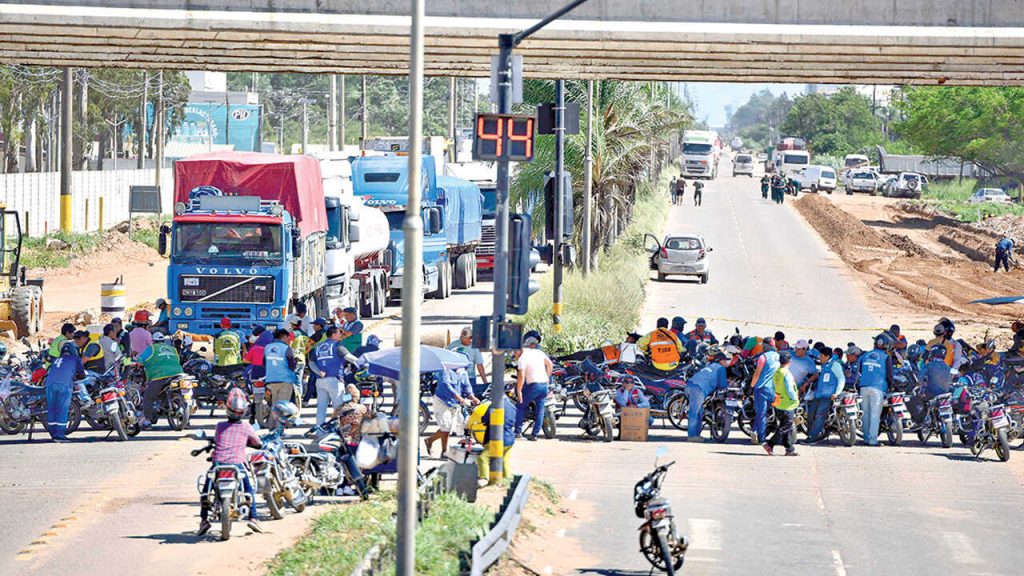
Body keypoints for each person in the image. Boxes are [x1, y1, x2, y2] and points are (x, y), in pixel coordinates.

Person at [197, 387, 263, 536]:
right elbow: (258, 443)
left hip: (218, 463)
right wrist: (251, 443)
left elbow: (218, 440)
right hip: (237, 464)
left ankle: (203, 520)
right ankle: (254, 518)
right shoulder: (246, 427)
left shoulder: (220, 426)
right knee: (248, 490)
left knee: (206, 491)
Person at [310, 327, 360, 425]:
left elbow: (311, 362)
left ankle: (320, 431)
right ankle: (340, 431)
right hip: (334, 380)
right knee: (338, 408)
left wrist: (318, 371)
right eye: (339, 333)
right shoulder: (337, 346)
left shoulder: (318, 347)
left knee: (321, 408)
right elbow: (349, 357)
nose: (341, 335)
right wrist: (363, 362)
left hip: (320, 381)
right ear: (333, 334)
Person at [425, 367, 478, 456]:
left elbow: (467, 387)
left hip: (454, 403)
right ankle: (444, 451)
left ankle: (430, 440)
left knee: (448, 428)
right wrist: (460, 398)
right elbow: (446, 385)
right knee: (446, 426)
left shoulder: (463, 372)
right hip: (442, 401)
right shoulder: (446, 370)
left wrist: (473, 398)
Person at [137, 332, 184, 429]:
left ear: (153, 341)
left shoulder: (151, 348)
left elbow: (140, 360)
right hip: (178, 374)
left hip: (160, 376)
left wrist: (138, 364)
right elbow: (178, 360)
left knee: (148, 397)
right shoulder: (173, 349)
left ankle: (147, 420)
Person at [514, 331, 553, 441]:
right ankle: (534, 435)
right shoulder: (539, 352)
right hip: (544, 385)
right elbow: (550, 364)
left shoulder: (523, 357)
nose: (514, 354)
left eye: (515, 352)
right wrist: (547, 376)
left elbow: (521, 376)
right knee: (540, 410)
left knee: (520, 406)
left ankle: (517, 432)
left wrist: (519, 391)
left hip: (533, 386)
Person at [684, 351, 729, 442]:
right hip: (698, 389)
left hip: (690, 385)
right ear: (720, 361)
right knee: (695, 411)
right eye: (725, 360)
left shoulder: (709, 366)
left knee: (699, 411)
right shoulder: (720, 368)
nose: (726, 363)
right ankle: (692, 436)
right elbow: (723, 385)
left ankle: (696, 435)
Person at [45, 342, 86, 442]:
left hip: (49, 385)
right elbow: (82, 375)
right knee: (62, 409)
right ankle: (59, 435)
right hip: (64, 385)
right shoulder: (75, 359)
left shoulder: (56, 359)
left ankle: (53, 434)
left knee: (52, 408)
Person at [469, 399, 517, 482]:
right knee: (504, 460)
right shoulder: (512, 407)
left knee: (483, 458)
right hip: (509, 438)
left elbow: (485, 419)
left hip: (497, 438)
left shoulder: (495, 405)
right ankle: (508, 480)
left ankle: (484, 478)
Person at [857, 335, 893, 446]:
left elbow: (859, 369)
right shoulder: (886, 357)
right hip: (878, 388)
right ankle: (873, 440)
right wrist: (890, 385)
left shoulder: (865, 355)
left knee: (865, 414)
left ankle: (866, 439)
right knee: (875, 415)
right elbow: (889, 374)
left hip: (863, 387)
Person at [807, 347, 845, 444]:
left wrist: (837, 392)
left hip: (828, 396)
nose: (820, 357)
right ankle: (812, 434)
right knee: (810, 414)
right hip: (818, 395)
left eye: (822, 356)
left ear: (828, 356)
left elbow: (841, 379)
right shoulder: (823, 365)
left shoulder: (835, 365)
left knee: (820, 415)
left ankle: (813, 438)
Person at [909, 345, 954, 427]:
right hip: (946, 394)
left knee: (912, 401)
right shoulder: (948, 367)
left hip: (931, 394)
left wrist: (920, 387)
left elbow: (920, 379)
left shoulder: (928, 366)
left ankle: (919, 421)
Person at [765, 351, 799, 456]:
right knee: (785, 427)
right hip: (787, 404)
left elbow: (773, 387)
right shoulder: (786, 373)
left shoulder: (777, 372)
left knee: (785, 427)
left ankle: (789, 449)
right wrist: (795, 399)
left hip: (779, 402)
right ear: (790, 361)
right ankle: (770, 444)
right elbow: (790, 389)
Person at [748, 338, 780, 444]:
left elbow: (757, 373)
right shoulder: (779, 356)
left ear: (766, 346)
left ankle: (761, 437)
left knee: (761, 413)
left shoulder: (763, 357)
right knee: (777, 412)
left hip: (762, 388)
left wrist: (752, 386)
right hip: (776, 390)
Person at [263, 329, 299, 422]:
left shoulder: (267, 347)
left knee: (275, 404)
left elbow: (264, 362)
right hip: (285, 380)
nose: (289, 340)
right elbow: (292, 366)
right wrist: (296, 361)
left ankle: (272, 427)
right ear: (284, 337)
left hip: (272, 379)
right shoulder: (286, 348)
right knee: (283, 407)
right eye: (288, 337)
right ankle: (279, 430)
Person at [447, 326, 489, 394]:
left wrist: (485, 382)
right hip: (455, 377)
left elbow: (479, 365)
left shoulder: (475, 348)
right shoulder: (453, 345)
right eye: (461, 338)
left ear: (470, 339)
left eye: (465, 339)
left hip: (470, 378)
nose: (462, 340)